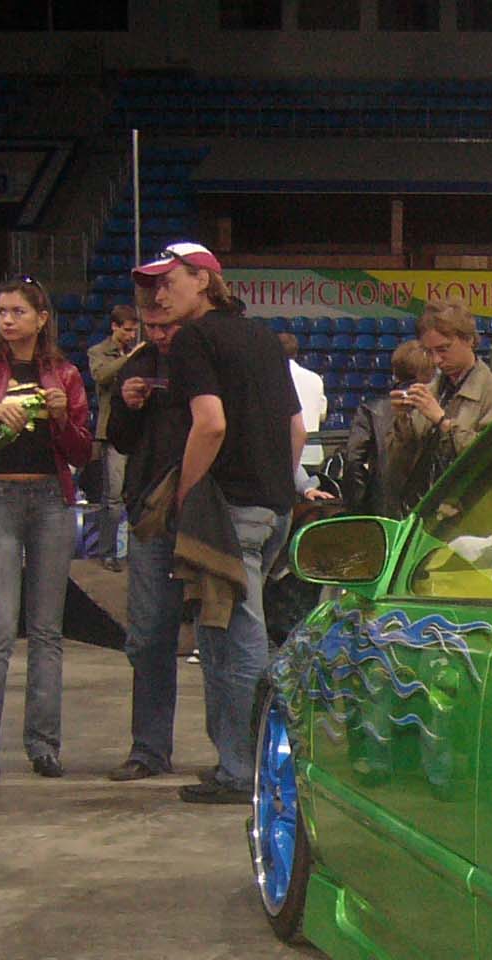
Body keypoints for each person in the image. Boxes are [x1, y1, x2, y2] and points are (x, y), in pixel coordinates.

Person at [133, 242, 304, 804]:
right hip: (272, 507)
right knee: (218, 634)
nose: (160, 295)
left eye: (169, 282)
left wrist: (185, 492)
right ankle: (234, 758)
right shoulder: (263, 337)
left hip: (229, 511)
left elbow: (209, 424)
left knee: (236, 641)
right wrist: (278, 487)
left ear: (203, 280)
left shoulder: (194, 341)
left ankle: (247, 770)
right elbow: (296, 428)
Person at [0, 276, 92, 783]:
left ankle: (44, 744)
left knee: (46, 630)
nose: (8, 320)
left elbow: (82, 451)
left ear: (41, 318)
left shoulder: (64, 373)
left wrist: (60, 417)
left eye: (18, 311)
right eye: (1, 312)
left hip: (51, 499)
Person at [105, 295, 191, 781]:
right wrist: (127, 404)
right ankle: (149, 749)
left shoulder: (207, 358)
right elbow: (120, 439)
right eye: (151, 327)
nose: (158, 335)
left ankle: (238, 758)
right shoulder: (138, 364)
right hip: (151, 510)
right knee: (149, 634)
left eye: (166, 326)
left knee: (224, 637)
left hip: (209, 508)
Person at [388, 299, 492, 515]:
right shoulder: (428, 392)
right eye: (430, 352)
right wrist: (402, 421)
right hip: (423, 511)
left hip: (476, 516)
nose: (437, 360)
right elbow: (399, 465)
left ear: (469, 340)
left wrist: (442, 421)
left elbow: (490, 458)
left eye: (443, 349)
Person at [341, 339, 435, 518]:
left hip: (384, 508)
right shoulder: (441, 408)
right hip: (431, 508)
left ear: (395, 372)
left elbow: (353, 462)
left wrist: (359, 508)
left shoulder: (371, 410)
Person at [86, 304, 138, 571]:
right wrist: (130, 359)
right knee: (113, 497)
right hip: (112, 430)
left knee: (137, 495)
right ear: (114, 327)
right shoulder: (98, 352)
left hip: (138, 429)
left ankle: (136, 555)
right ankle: (107, 552)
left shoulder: (140, 352)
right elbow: (101, 376)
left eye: (134, 331)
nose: (131, 335)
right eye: (126, 330)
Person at [277, 330, 327, 495]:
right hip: (312, 454)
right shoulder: (315, 378)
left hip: (285, 457)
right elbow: (322, 415)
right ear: (296, 352)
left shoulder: (272, 379)